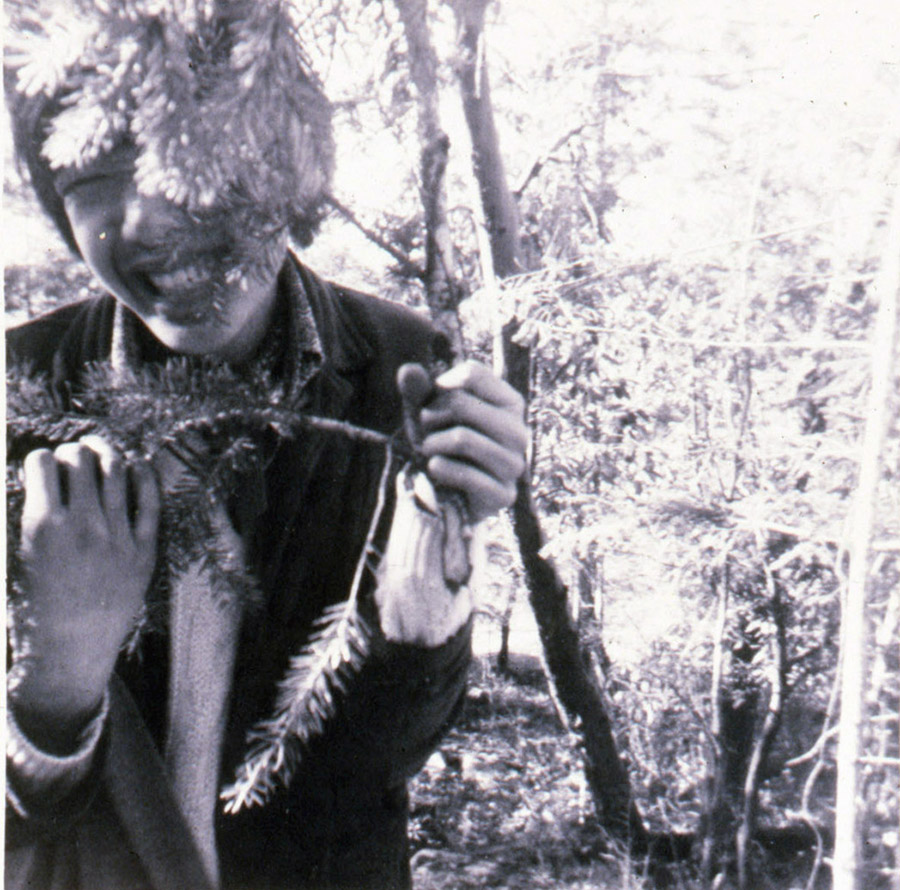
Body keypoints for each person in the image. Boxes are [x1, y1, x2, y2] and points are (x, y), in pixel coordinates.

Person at [4, 5, 527, 889]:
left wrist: (430, 585)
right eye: (94, 172)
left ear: (290, 166)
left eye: (191, 146)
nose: (150, 218)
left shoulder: (397, 374)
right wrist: (60, 675)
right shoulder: (20, 397)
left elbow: (377, 766)